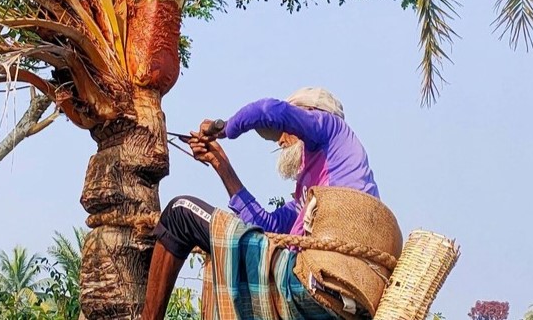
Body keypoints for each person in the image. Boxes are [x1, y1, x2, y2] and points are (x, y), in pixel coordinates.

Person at [141, 87, 380, 320]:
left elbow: (267, 110)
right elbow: (266, 230)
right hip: (336, 297)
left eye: (289, 128)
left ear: (309, 113)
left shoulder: (330, 128)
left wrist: (222, 128)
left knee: (179, 213)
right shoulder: (308, 198)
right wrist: (220, 164)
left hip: (316, 281)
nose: (280, 140)